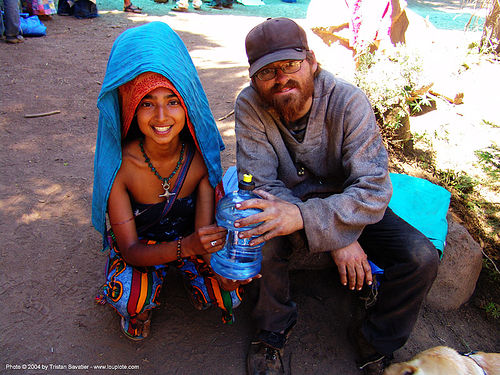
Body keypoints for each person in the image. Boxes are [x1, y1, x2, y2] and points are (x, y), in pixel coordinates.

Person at [233, 17, 439, 375]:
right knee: (257, 230)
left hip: (349, 206)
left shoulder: (347, 101)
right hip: (289, 205)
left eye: (289, 65)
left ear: (311, 60)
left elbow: (373, 187)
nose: (281, 78)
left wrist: (338, 229)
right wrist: (334, 237)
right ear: (254, 79)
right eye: (268, 72)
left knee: (421, 257)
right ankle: (272, 329)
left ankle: (374, 339)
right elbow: (259, 184)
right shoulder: (249, 106)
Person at [92, 22, 247, 341]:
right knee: (131, 298)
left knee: (230, 292)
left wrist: (219, 265)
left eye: (173, 100)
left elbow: (203, 233)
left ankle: (194, 279)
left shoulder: (200, 161)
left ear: (187, 103)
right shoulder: (120, 169)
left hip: (189, 241)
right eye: (147, 102)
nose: (161, 116)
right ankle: (143, 305)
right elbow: (132, 250)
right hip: (145, 247)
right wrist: (186, 247)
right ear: (131, 105)